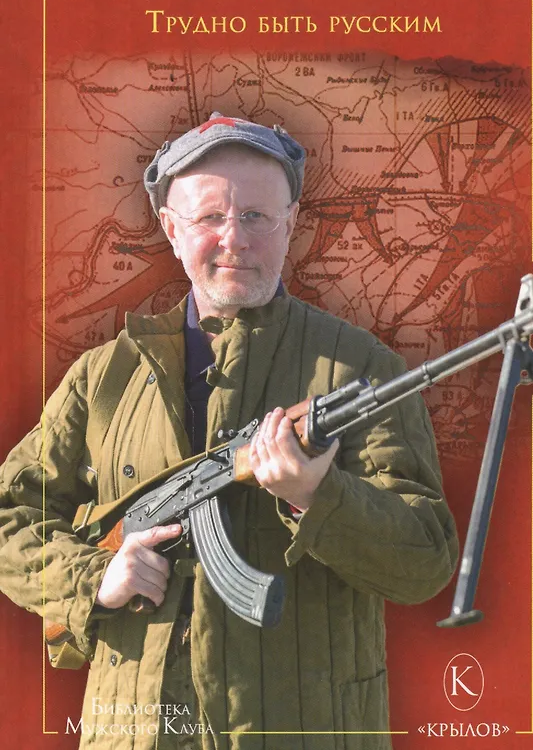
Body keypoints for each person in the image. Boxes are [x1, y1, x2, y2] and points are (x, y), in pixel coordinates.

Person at [0, 113, 458, 750]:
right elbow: (10, 513)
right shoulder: (103, 376)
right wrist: (91, 579)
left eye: (256, 217)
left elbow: (425, 563)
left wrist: (317, 496)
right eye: (210, 217)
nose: (234, 239)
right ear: (171, 229)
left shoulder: (363, 368)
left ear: (291, 224)